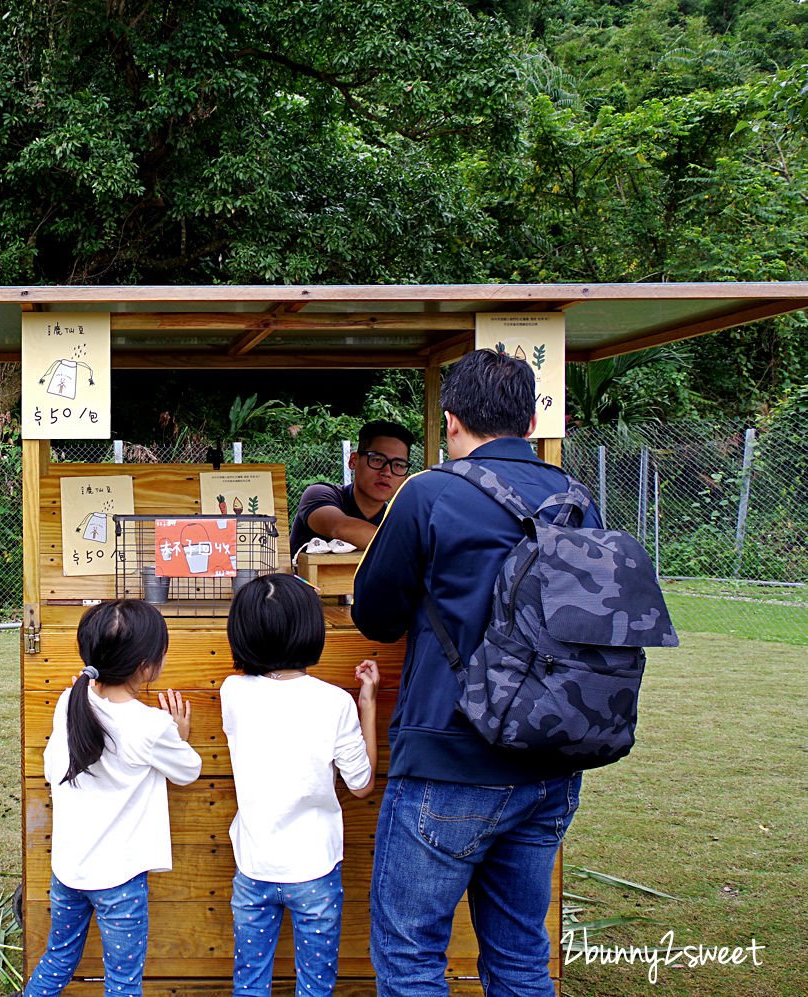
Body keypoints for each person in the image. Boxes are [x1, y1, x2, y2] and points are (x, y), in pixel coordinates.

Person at [351, 349, 600, 997]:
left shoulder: (429, 492)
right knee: (520, 958)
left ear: (452, 419)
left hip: (450, 758)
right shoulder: (577, 499)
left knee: (411, 959)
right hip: (550, 763)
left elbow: (376, 613)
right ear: (528, 418)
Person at [23, 599, 202, 997]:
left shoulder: (71, 700)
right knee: (122, 982)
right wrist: (180, 734)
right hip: (119, 882)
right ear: (146, 666)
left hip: (68, 871)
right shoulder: (151, 725)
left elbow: (54, 768)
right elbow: (189, 771)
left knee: (57, 959)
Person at [221, 573, 380, 997]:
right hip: (315, 869)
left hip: (254, 867)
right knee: (315, 987)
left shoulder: (232, 691)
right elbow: (362, 784)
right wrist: (368, 703)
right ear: (313, 630)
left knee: (250, 985)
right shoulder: (334, 702)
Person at [288, 420, 416, 556]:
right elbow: (341, 528)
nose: (387, 472)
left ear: (405, 476)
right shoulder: (320, 494)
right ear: (353, 461)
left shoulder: (394, 520)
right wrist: (412, 548)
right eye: (377, 460)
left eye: (398, 465)